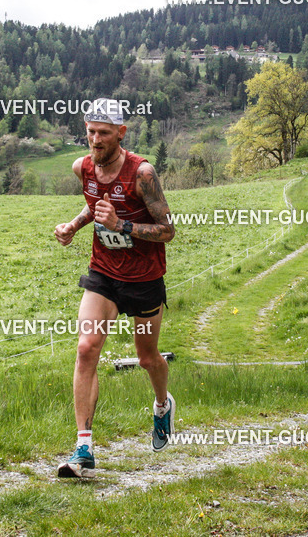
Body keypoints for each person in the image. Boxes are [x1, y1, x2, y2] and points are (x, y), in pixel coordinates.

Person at [53, 98, 176, 477]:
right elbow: (95, 205)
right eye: (90, 132)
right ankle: (83, 449)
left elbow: (167, 230)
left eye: (104, 133)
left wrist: (122, 225)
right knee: (86, 348)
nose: (95, 140)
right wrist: (74, 226)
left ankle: (162, 405)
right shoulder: (83, 167)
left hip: (144, 278)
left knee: (148, 358)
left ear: (121, 133)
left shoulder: (142, 174)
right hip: (104, 272)